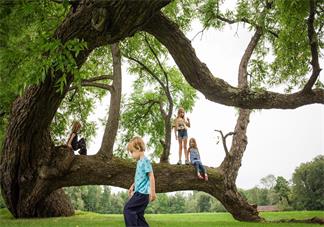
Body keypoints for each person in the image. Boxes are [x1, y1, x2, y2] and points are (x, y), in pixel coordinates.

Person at [124, 136, 156, 227]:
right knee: (138, 215)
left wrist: (152, 192)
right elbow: (141, 177)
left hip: (142, 194)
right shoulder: (139, 162)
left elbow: (151, 176)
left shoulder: (145, 161)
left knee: (128, 209)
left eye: (132, 151)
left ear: (138, 148)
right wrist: (133, 186)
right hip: (140, 193)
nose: (131, 154)